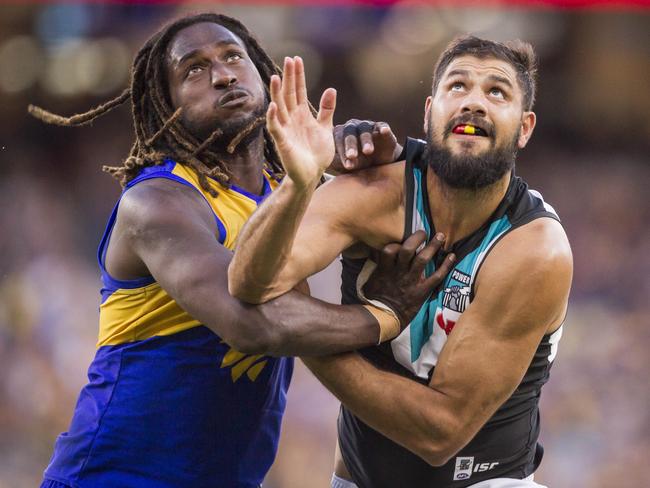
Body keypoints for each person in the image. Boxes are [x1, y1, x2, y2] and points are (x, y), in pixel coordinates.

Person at [29, 13, 453, 488]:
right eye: (194, 69)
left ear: (262, 74)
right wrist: (386, 314)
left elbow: (406, 213)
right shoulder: (156, 202)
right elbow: (251, 325)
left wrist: (380, 158)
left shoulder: (287, 193)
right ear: (165, 104)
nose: (223, 74)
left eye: (234, 56)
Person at [228, 36, 573, 488]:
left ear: (524, 128)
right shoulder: (373, 193)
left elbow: (440, 433)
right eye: (458, 86)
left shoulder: (534, 248)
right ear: (430, 111)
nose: (473, 102)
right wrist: (299, 182)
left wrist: (296, 331)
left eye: (497, 91)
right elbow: (250, 282)